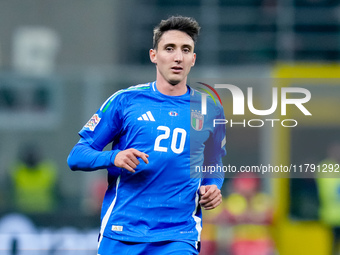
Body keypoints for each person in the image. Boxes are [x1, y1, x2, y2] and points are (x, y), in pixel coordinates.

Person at [67, 16, 226, 255]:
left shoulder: (208, 108)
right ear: (154, 55)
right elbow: (77, 156)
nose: (177, 57)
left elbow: (213, 164)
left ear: (193, 59)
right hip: (122, 232)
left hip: (178, 235)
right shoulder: (125, 101)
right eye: (169, 49)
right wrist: (114, 157)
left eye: (185, 50)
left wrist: (212, 186)